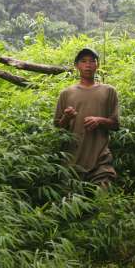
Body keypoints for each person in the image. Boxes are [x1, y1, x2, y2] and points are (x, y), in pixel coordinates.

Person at [54, 48, 119, 188]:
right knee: (73, 205)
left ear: (98, 65)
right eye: (83, 61)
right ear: (77, 66)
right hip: (72, 161)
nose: (88, 65)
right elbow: (58, 127)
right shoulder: (66, 93)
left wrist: (100, 120)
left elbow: (116, 124)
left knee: (103, 200)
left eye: (92, 61)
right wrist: (66, 117)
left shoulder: (109, 91)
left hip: (101, 160)